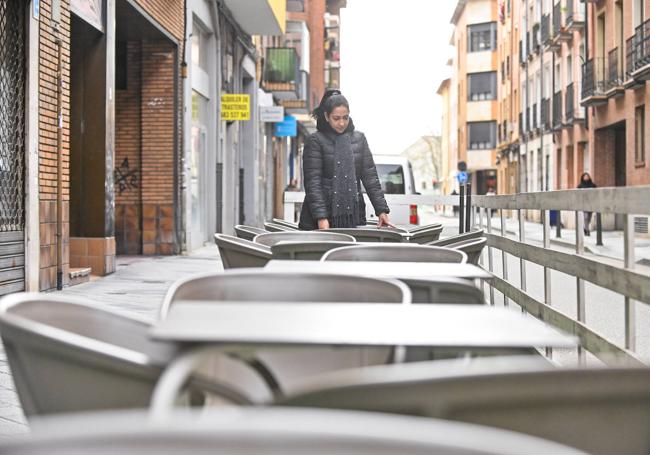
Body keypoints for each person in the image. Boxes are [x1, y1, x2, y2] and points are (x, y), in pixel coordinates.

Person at [299, 89, 390, 230]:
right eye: (336, 118)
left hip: (353, 217)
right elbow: (313, 183)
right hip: (319, 220)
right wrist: (321, 218)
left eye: (345, 117)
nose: (341, 123)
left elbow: (370, 178)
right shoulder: (315, 141)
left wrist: (381, 210)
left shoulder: (360, 139)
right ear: (326, 116)